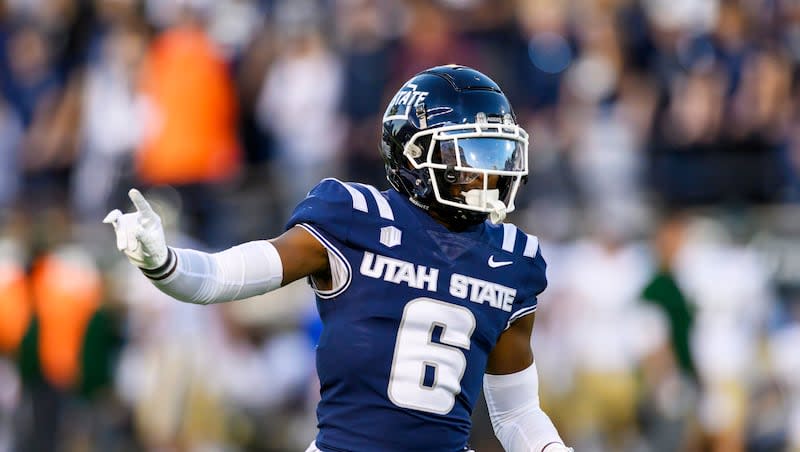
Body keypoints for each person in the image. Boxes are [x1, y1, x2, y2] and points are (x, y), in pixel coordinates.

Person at [104, 65, 572, 452]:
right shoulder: (354, 217)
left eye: (496, 154)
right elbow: (221, 278)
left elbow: (516, 413)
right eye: (469, 154)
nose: (486, 173)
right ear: (413, 153)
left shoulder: (512, 259)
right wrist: (160, 262)